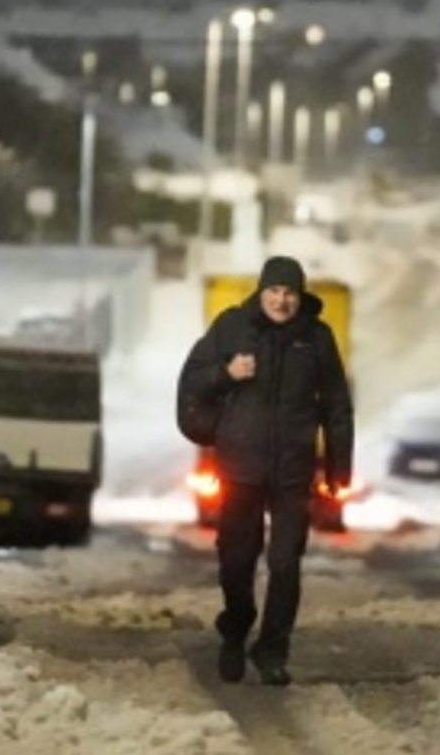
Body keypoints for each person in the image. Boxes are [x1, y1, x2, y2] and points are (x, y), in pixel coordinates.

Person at [176, 255, 354, 686]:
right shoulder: (233, 327)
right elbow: (192, 379)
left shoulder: (317, 338)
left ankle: (272, 651)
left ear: (300, 296)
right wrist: (226, 372)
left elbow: (336, 407)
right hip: (240, 467)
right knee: (236, 561)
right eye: (274, 290)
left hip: (293, 471)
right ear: (261, 291)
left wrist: (338, 469)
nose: (281, 300)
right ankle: (236, 629)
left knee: (285, 562)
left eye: (290, 292)